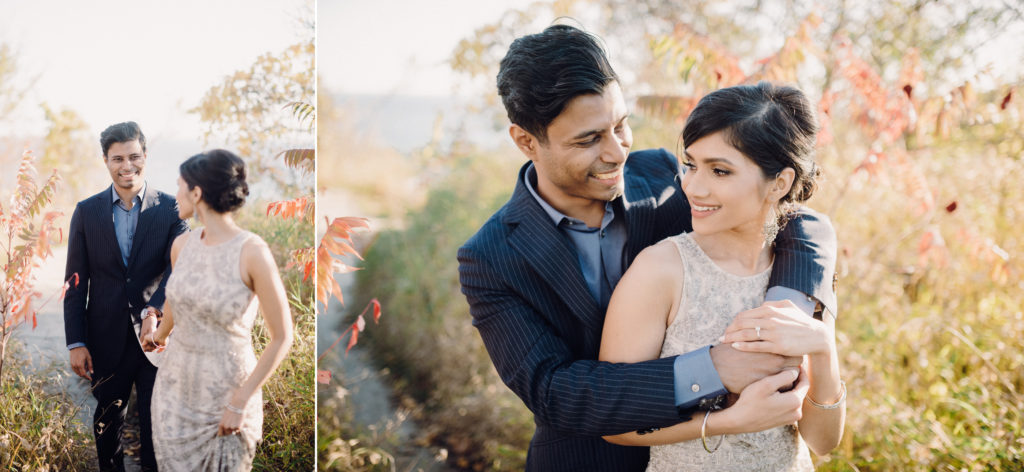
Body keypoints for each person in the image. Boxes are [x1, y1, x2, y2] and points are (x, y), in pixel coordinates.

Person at [457, 24, 837, 471]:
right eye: (589, 139)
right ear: (526, 141)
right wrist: (716, 369)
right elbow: (554, 392)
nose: (617, 152)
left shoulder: (660, 176)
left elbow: (793, 217)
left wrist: (787, 307)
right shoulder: (491, 257)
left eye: (621, 126)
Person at [599, 82, 846, 471]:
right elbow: (614, 423)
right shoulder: (660, 270)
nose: (693, 187)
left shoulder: (801, 274)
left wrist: (823, 347)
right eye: (692, 165)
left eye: (720, 170)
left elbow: (823, 442)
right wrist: (729, 422)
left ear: (780, 183)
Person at [141, 150, 293, 471]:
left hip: (227, 400)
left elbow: (282, 337)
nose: (175, 195)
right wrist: (159, 334)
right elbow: (177, 300)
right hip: (174, 394)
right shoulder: (182, 245)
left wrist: (239, 403)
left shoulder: (253, 252)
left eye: (180, 186)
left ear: (197, 193)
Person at [64, 121, 189, 472]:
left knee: (156, 431)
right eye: (117, 158)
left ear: (145, 156)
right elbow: (75, 283)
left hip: (158, 338)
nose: (127, 165)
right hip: (104, 338)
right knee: (108, 429)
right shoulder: (86, 212)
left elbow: (179, 269)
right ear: (106, 160)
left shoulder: (171, 209)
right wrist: (76, 341)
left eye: (134, 156)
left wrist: (154, 309)